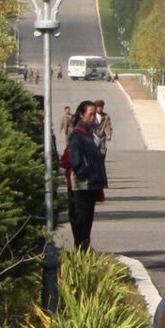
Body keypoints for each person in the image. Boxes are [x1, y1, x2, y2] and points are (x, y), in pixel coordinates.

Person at [63, 101, 107, 251]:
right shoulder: (78, 134)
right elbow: (74, 160)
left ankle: (84, 250)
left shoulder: (89, 132)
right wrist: (85, 172)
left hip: (90, 186)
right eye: (90, 114)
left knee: (87, 221)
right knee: (81, 221)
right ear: (82, 114)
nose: (93, 117)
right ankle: (81, 251)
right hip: (82, 186)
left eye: (94, 114)